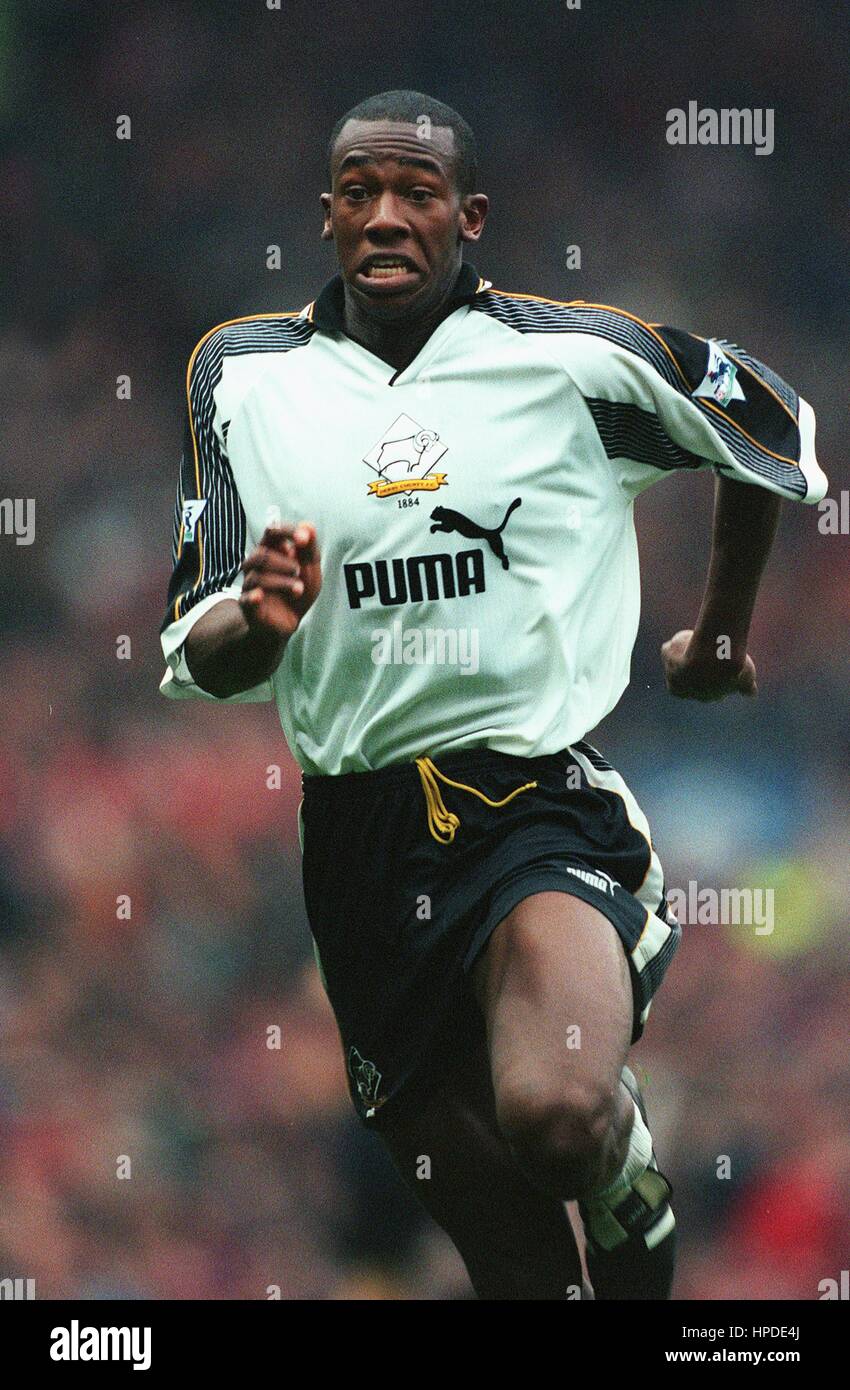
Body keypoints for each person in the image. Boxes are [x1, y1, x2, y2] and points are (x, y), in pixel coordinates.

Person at [159, 89, 827, 1299]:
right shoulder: (239, 376)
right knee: (516, 1266)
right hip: (358, 838)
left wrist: (720, 638)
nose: (385, 214)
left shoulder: (570, 356)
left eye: (416, 191)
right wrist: (258, 626)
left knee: (556, 1114)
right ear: (324, 216)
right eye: (359, 190)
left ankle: (621, 1155)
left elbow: (766, 419)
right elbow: (199, 640)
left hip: (531, 802)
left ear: (470, 215)